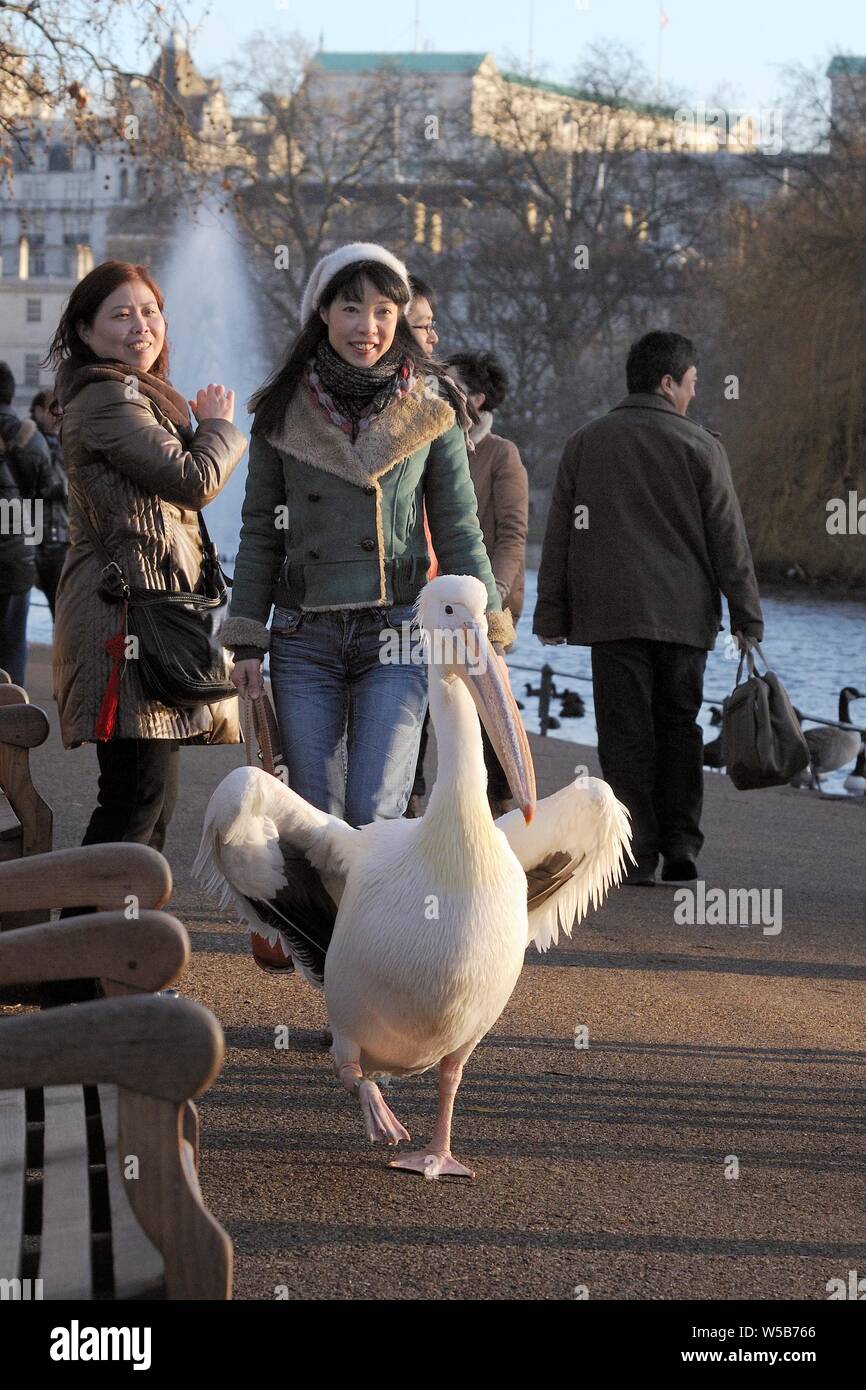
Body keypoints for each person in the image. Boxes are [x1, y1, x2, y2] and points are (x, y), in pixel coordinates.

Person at [222, 242, 514, 835]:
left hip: (398, 633)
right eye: (352, 308)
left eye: (384, 310)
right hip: (305, 635)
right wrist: (247, 639)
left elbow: (459, 527)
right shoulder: (281, 412)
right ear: (322, 312)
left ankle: (373, 930)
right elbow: (260, 532)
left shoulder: (433, 410)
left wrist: (490, 624)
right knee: (314, 820)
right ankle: (322, 933)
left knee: (373, 813)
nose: (368, 326)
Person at [533, 330, 764, 887]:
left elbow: (560, 534)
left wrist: (551, 615)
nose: (692, 395)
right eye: (690, 384)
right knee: (679, 728)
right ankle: (682, 845)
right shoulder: (702, 446)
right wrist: (746, 617)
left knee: (624, 732)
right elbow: (728, 541)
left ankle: (633, 852)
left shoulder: (587, 442)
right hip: (684, 621)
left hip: (611, 618)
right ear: (668, 382)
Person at [48, 260, 247, 854]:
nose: (142, 324)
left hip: (152, 614)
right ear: (85, 332)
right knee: (133, 799)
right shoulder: (106, 399)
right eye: (122, 313)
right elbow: (194, 479)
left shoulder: (139, 400)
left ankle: (127, 938)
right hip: (124, 621)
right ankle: (82, 935)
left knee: (151, 803)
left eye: (151, 310)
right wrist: (218, 427)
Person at [446, 349, 529, 817]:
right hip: (435, 599)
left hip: (486, 603)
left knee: (489, 708)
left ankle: (507, 806)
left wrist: (490, 603)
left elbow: (513, 536)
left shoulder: (501, 454)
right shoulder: (434, 444)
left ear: (476, 398)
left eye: (452, 385)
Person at [0, 362, 50, 686]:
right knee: (12, 641)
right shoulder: (30, 435)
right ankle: (13, 722)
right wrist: (33, 548)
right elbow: (43, 497)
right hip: (16, 549)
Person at [30, 390, 70, 618]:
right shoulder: (32, 444)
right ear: (38, 411)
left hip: (60, 537)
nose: (57, 415)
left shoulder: (64, 442)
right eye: (51, 409)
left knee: (64, 612)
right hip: (41, 539)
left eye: (59, 409)